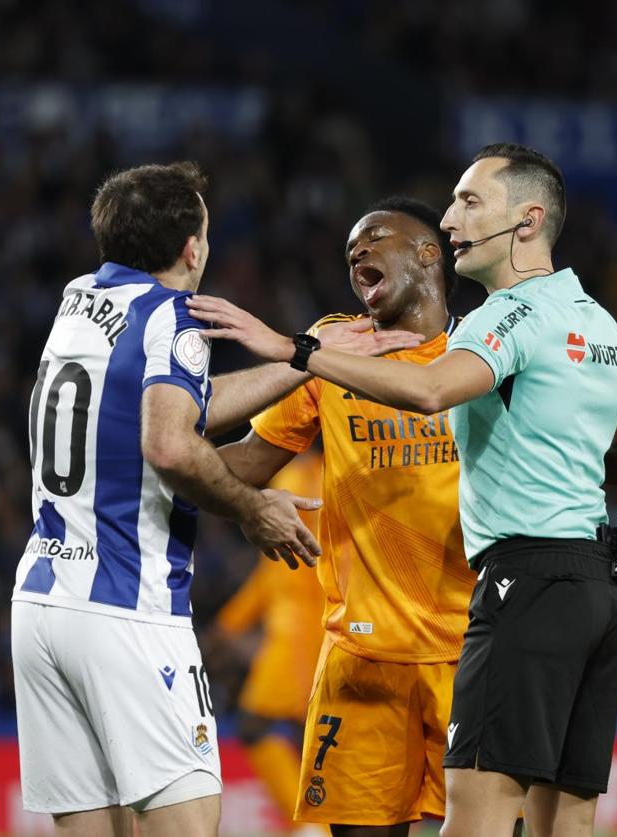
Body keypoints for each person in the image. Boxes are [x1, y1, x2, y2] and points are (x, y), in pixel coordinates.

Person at [187, 144, 617, 837]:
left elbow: (432, 392)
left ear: (516, 224)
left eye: (468, 203)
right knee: (561, 824)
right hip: (501, 617)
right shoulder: (592, 324)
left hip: (507, 607)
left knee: (483, 822)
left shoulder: (494, 326)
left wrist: (300, 351)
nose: (454, 216)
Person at [9, 161, 417, 837]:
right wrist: (252, 506)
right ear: (193, 247)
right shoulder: (172, 317)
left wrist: (300, 358)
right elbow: (170, 443)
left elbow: (176, 409)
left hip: (42, 606)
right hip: (126, 608)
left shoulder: (79, 299)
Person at [198, 196, 475, 837]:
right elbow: (247, 464)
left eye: (376, 236)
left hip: (474, 653)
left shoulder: (486, 349)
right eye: (351, 245)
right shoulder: (332, 351)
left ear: (429, 252)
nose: (359, 250)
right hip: (360, 657)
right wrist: (169, 461)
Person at [214, 452, 327, 835]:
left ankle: (308, 826)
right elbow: (270, 572)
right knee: (304, 737)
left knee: (255, 724)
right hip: (306, 626)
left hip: (303, 630)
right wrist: (232, 621)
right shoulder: (307, 474)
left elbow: (291, 561)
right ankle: (315, 824)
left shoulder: (300, 479)